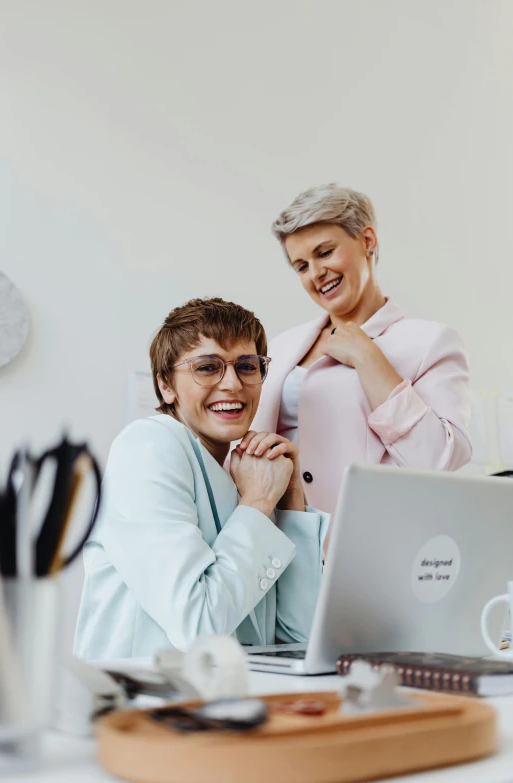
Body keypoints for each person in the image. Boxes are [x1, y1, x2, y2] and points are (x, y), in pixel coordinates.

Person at [74, 298, 328, 660]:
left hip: (238, 705)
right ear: (166, 386)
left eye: (247, 366)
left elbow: (299, 640)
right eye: (207, 367)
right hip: (144, 709)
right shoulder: (148, 444)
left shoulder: (248, 478)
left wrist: (290, 503)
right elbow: (199, 625)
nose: (232, 384)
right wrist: (257, 505)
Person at [251, 184, 472, 519]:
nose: (316, 274)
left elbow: (439, 460)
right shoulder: (279, 346)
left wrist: (369, 359)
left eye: (324, 253)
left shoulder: (431, 343)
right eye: (301, 266)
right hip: (281, 541)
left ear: (368, 240)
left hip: (366, 541)